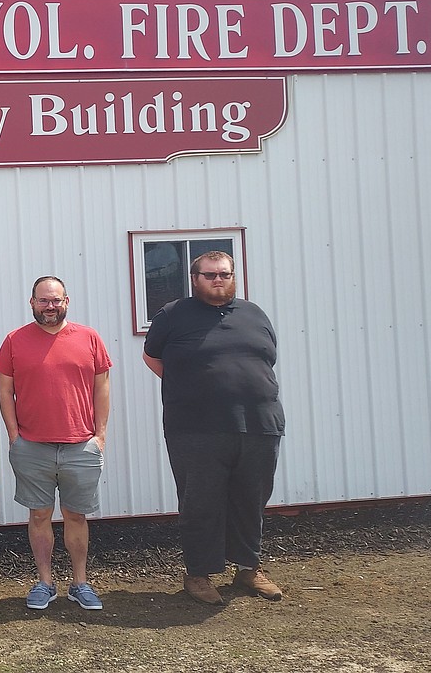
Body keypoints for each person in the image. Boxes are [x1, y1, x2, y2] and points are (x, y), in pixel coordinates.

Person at [142, 251, 285, 605]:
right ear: (195, 278)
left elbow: (266, 358)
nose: (218, 280)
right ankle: (199, 574)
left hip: (260, 424)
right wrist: (192, 388)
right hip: (195, 427)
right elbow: (152, 356)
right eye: (210, 275)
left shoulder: (254, 314)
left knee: (251, 499)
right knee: (200, 501)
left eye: (224, 274)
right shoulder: (174, 314)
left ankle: (248, 569)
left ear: (233, 276)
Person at [0, 276, 112, 611]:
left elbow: (102, 387)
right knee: (40, 514)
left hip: (80, 445)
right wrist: (14, 435)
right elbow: (5, 390)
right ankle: (45, 583)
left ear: (66, 301)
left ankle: (80, 583)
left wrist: (99, 435)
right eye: (43, 300)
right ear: (32, 302)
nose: (49, 306)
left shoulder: (89, 338)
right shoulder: (15, 340)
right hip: (32, 446)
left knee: (76, 515)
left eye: (55, 300)